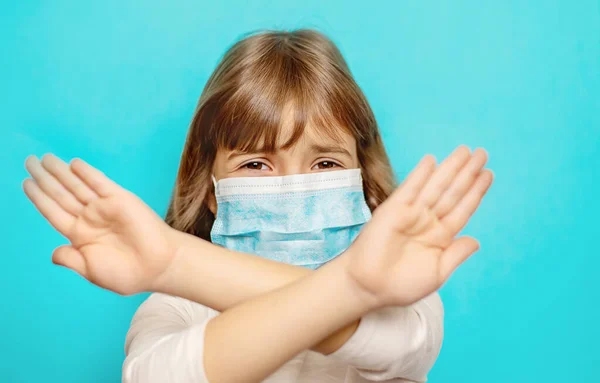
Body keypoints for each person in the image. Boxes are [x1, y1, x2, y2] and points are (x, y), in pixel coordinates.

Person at [22, 29, 493, 383]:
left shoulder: (401, 288)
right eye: (256, 165)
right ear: (210, 188)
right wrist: (171, 265)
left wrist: (174, 260)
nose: (292, 189)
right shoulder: (176, 302)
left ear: (363, 182)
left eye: (325, 162)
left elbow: (401, 348)